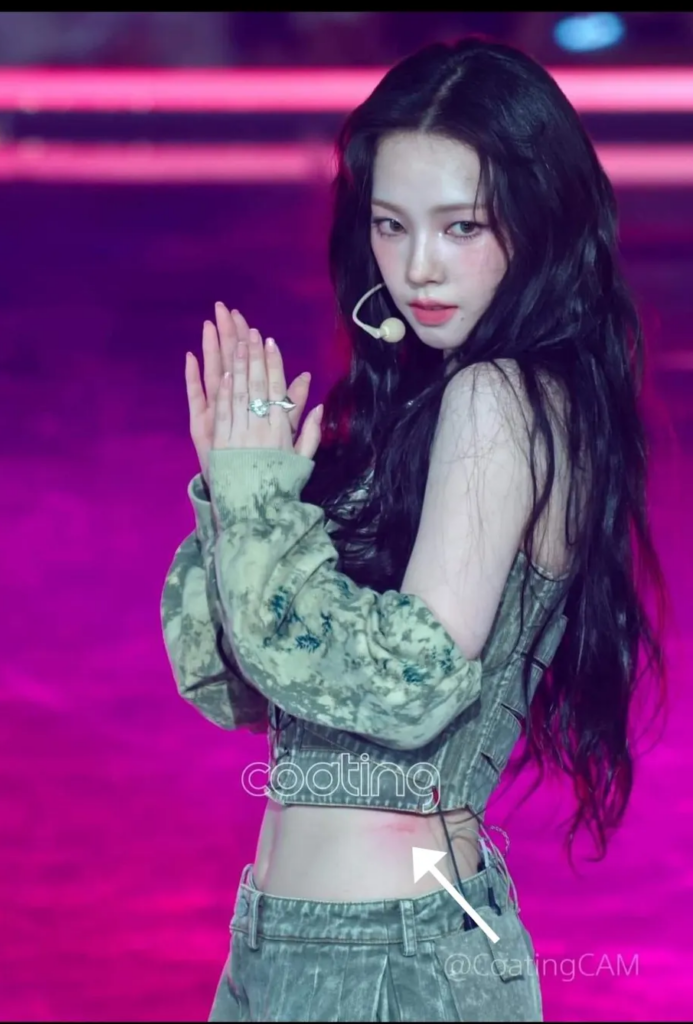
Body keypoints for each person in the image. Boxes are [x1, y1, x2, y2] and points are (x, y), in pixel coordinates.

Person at [161, 36, 668, 1023]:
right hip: (309, 942)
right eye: (391, 225)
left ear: (536, 219)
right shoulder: (433, 404)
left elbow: (406, 685)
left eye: (461, 225)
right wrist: (235, 498)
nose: (418, 267)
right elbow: (237, 686)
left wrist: (260, 502)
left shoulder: (501, 400)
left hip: (389, 953)